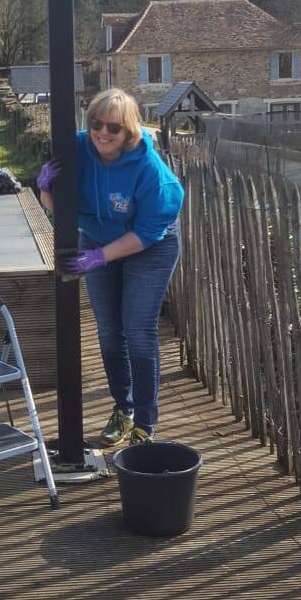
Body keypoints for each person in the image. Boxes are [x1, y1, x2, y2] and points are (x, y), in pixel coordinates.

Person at [37, 88, 184, 446]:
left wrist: (100, 257)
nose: (102, 133)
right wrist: (44, 191)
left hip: (149, 247)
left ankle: (145, 425)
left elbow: (148, 232)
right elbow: (66, 210)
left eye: (113, 128)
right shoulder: (76, 151)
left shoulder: (153, 174)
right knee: (108, 330)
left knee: (137, 330)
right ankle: (123, 408)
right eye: (96, 124)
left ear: (129, 130)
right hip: (98, 239)